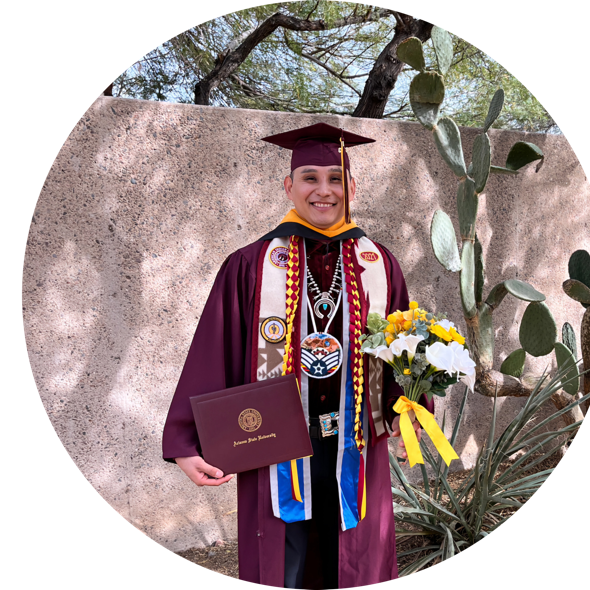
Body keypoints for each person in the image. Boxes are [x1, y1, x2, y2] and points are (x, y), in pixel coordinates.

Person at [162, 122, 431, 588]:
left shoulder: (380, 264)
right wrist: (186, 442)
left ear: (352, 188)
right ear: (289, 186)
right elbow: (212, 349)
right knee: (281, 563)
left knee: (354, 559)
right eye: (310, 177)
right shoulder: (250, 264)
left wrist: (409, 414)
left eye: (335, 179)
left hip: (356, 442)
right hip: (272, 446)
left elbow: (401, 352)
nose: (323, 190)